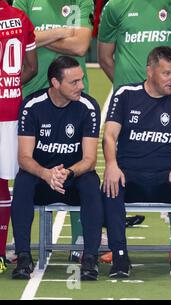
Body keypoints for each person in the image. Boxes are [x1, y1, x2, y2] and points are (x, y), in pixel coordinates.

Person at [102, 46, 171, 279]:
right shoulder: (126, 94)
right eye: (166, 73)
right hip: (130, 175)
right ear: (150, 71)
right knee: (110, 186)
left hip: (167, 175)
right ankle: (120, 256)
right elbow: (109, 135)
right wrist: (111, 165)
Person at [13, 0, 96, 262]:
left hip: (71, 93)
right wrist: (63, 32)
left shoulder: (81, 1)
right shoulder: (25, 1)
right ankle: (23, 241)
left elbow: (81, 46)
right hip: (33, 93)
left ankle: (80, 240)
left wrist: (36, 37)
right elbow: (18, 38)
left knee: (74, 159)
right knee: (29, 165)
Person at [10, 56, 103, 281]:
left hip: (73, 177)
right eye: (74, 82)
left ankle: (90, 257)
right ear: (55, 83)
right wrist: (46, 174)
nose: (81, 86)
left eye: (81, 80)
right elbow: (24, 157)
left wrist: (68, 172)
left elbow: (89, 159)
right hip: (41, 177)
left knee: (91, 183)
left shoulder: (88, 107)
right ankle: (23, 256)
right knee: (22, 182)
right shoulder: (32, 106)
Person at [0, 0, 37, 273]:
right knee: (8, 181)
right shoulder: (20, 17)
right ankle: (4, 253)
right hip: (12, 109)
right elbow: (31, 68)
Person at [98, 0, 171, 90]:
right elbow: (104, 58)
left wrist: (164, 84)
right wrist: (125, 86)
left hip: (164, 98)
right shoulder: (115, 5)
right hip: (128, 97)